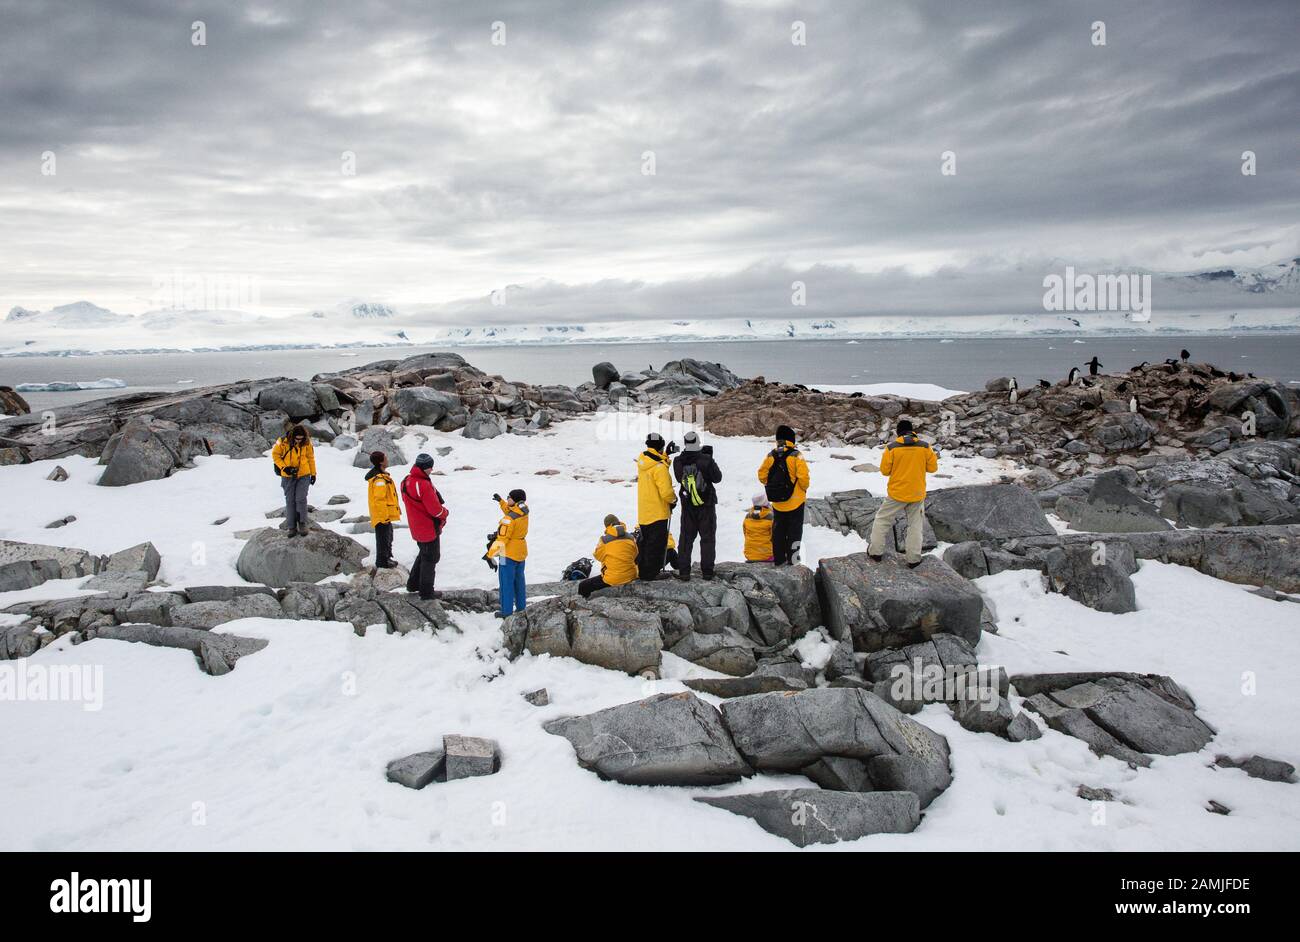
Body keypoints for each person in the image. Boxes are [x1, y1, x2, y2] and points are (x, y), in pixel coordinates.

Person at [867, 419, 938, 568]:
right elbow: (932, 469)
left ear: (898, 432)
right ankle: (913, 559)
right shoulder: (925, 446)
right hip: (917, 493)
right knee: (915, 526)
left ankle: (875, 552)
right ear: (912, 430)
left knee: (882, 520)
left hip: (897, 494)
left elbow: (885, 471)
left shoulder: (892, 448)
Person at [672, 431, 722, 581]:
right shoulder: (705, 459)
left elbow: (679, 478)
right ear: (698, 442)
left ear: (686, 443)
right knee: (707, 537)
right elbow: (717, 478)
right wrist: (710, 458)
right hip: (706, 504)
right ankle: (707, 572)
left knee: (686, 538)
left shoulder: (678, 461)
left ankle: (684, 572)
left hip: (688, 504)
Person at [757, 425, 810, 565]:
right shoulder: (796, 455)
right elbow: (803, 477)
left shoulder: (771, 455)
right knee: (794, 533)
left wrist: (774, 485)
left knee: (778, 531)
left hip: (778, 503)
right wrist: (803, 489)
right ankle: (793, 560)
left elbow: (761, 475)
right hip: (796, 503)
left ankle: (779, 560)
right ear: (791, 439)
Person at [401, 453, 448, 600]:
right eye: (430, 467)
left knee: (424, 553)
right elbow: (435, 510)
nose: (431, 470)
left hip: (416, 526)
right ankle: (426, 592)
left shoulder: (406, 480)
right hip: (427, 527)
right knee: (431, 557)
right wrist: (445, 513)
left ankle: (413, 584)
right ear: (425, 467)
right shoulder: (423, 484)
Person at [635, 432, 676, 580]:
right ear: (660, 447)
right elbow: (666, 492)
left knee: (645, 543)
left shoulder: (643, 461)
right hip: (658, 512)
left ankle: (644, 571)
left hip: (644, 512)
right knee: (656, 545)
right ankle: (651, 574)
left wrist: (666, 455)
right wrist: (673, 500)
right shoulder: (659, 468)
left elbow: (656, 461)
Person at [272, 423, 317, 537]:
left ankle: (302, 523)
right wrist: (284, 468)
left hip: (304, 475)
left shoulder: (307, 443)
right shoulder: (282, 441)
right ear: (293, 436)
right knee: (290, 501)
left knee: (301, 499)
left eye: (301, 439)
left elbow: (311, 458)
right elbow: (275, 455)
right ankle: (291, 527)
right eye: (297, 439)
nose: (299, 441)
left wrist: (313, 474)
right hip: (287, 476)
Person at [579, 514, 639, 598]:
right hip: (631, 574)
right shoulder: (631, 537)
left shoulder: (604, 540)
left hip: (614, 578)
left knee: (583, 586)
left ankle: (583, 602)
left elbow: (598, 556)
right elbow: (635, 554)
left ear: (607, 526)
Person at [491, 489, 529, 618]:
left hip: (506, 554)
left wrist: (490, 555)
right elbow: (511, 511)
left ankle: (506, 612)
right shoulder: (523, 511)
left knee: (506, 582)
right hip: (521, 552)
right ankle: (521, 608)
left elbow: (502, 540)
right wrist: (501, 501)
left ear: (514, 500)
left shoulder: (508, 520)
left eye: (509, 497)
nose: (507, 499)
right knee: (519, 581)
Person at [365, 450, 400, 568]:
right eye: (385, 458)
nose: (387, 459)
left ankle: (387, 557)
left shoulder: (382, 476)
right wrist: (384, 516)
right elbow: (379, 500)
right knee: (383, 538)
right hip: (382, 515)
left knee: (388, 536)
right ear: (381, 462)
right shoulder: (379, 480)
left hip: (384, 515)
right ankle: (382, 561)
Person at [743, 492, 774, 562]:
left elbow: (745, 533)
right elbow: (775, 537)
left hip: (749, 554)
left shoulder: (747, 516)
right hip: (767, 555)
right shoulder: (771, 517)